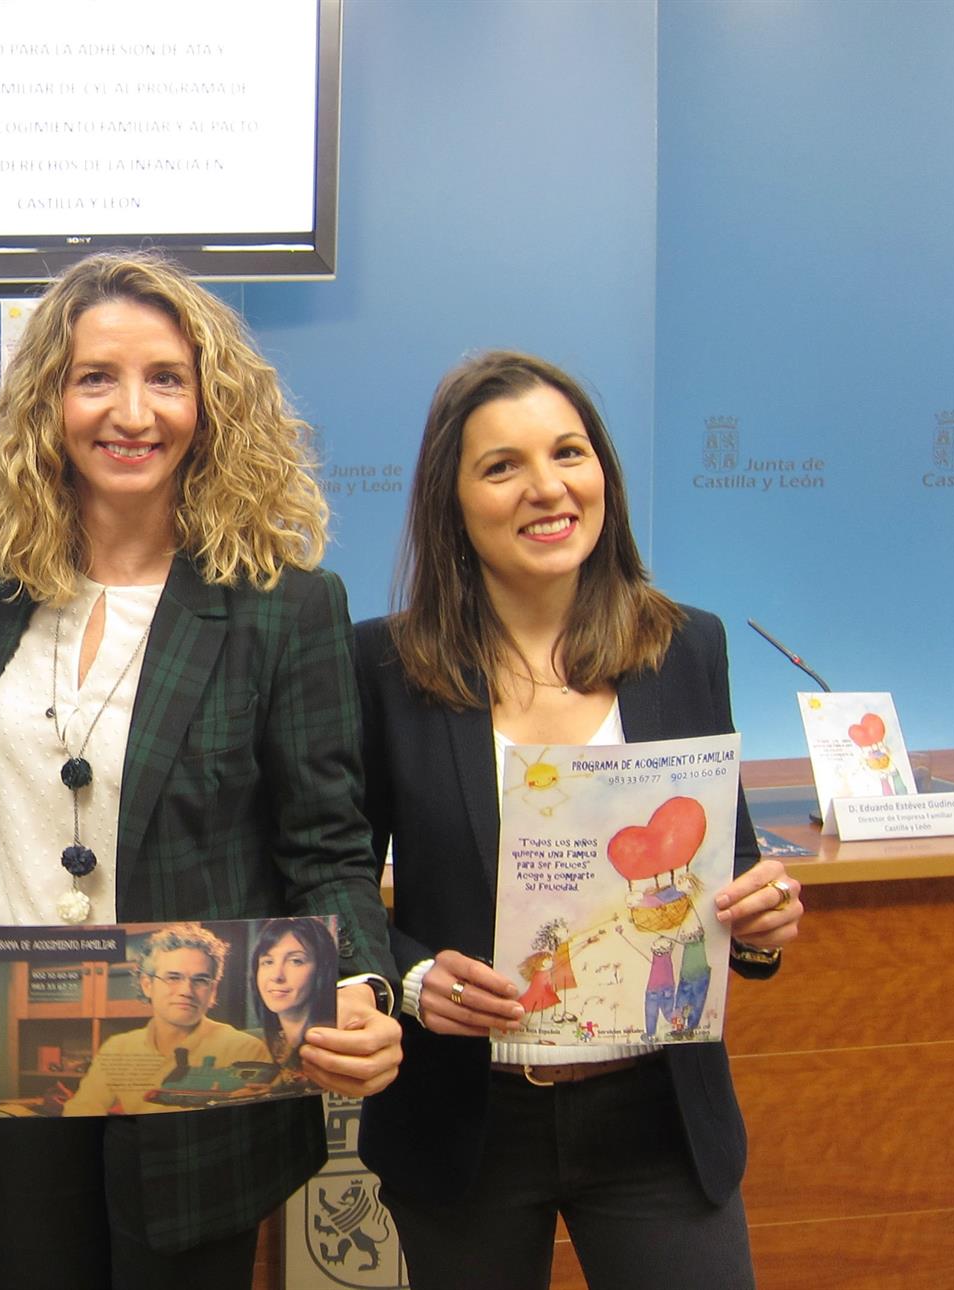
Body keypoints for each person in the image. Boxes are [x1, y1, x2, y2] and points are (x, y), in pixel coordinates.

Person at [0, 251, 402, 1290]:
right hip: (8, 997)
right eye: (94, 376)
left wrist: (365, 981)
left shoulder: (284, 606)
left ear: (211, 404)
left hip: (191, 1018)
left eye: (166, 377)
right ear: (47, 404)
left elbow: (327, 840)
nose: (132, 410)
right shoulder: (14, 580)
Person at [353, 350, 804, 1290]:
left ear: (604, 472)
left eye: (569, 452)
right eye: (502, 466)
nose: (548, 487)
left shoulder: (685, 646)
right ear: (453, 500)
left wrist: (765, 922)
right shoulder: (384, 669)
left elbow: (735, 869)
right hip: (467, 1119)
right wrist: (413, 974)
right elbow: (333, 883)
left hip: (658, 1118)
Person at [62, 923, 272, 1116]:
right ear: (147, 985)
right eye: (173, 978)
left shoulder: (247, 1051)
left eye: (200, 980)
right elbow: (82, 1110)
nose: (186, 991)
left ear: (213, 991)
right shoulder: (117, 1048)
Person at [247, 916, 333, 1080]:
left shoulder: (329, 1045)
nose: (277, 976)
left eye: (295, 961)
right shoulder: (254, 1045)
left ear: (321, 970)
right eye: (268, 961)